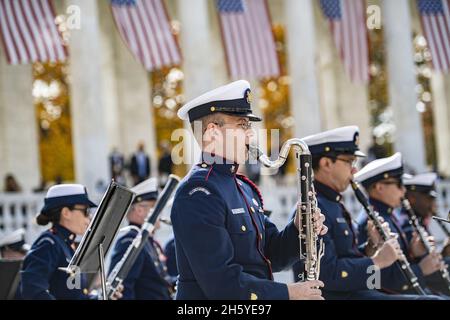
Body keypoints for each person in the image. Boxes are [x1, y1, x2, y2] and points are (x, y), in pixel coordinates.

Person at [170, 80, 327, 300]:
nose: (251, 135)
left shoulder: (243, 187)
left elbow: (272, 254)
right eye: (242, 125)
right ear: (213, 132)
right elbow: (222, 283)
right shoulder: (198, 192)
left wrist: (298, 229)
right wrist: (289, 293)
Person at [292, 126, 432, 300]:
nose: (354, 171)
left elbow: (345, 258)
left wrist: (369, 249)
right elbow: (326, 275)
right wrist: (377, 261)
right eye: (349, 161)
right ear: (326, 164)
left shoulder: (332, 204)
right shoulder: (315, 207)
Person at [355, 153, 445, 297]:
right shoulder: (371, 221)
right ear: (379, 187)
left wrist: (416, 255)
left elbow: (400, 265)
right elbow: (378, 281)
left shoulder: (387, 216)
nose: (404, 190)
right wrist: (421, 269)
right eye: (398, 184)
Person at [19, 184, 122, 300]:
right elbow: (32, 290)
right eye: (85, 211)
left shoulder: (67, 245)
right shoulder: (49, 243)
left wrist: (102, 296)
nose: (90, 217)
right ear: (66, 213)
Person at [109, 178, 175, 299]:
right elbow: (123, 291)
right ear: (139, 210)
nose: (160, 213)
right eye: (156, 207)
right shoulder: (130, 241)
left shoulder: (145, 240)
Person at [402, 172, 450, 295]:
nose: (433, 204)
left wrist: (445, 251)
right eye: (429, 199)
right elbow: (422, 263)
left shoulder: (418, 220)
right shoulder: (407, 224)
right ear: (412, 199)